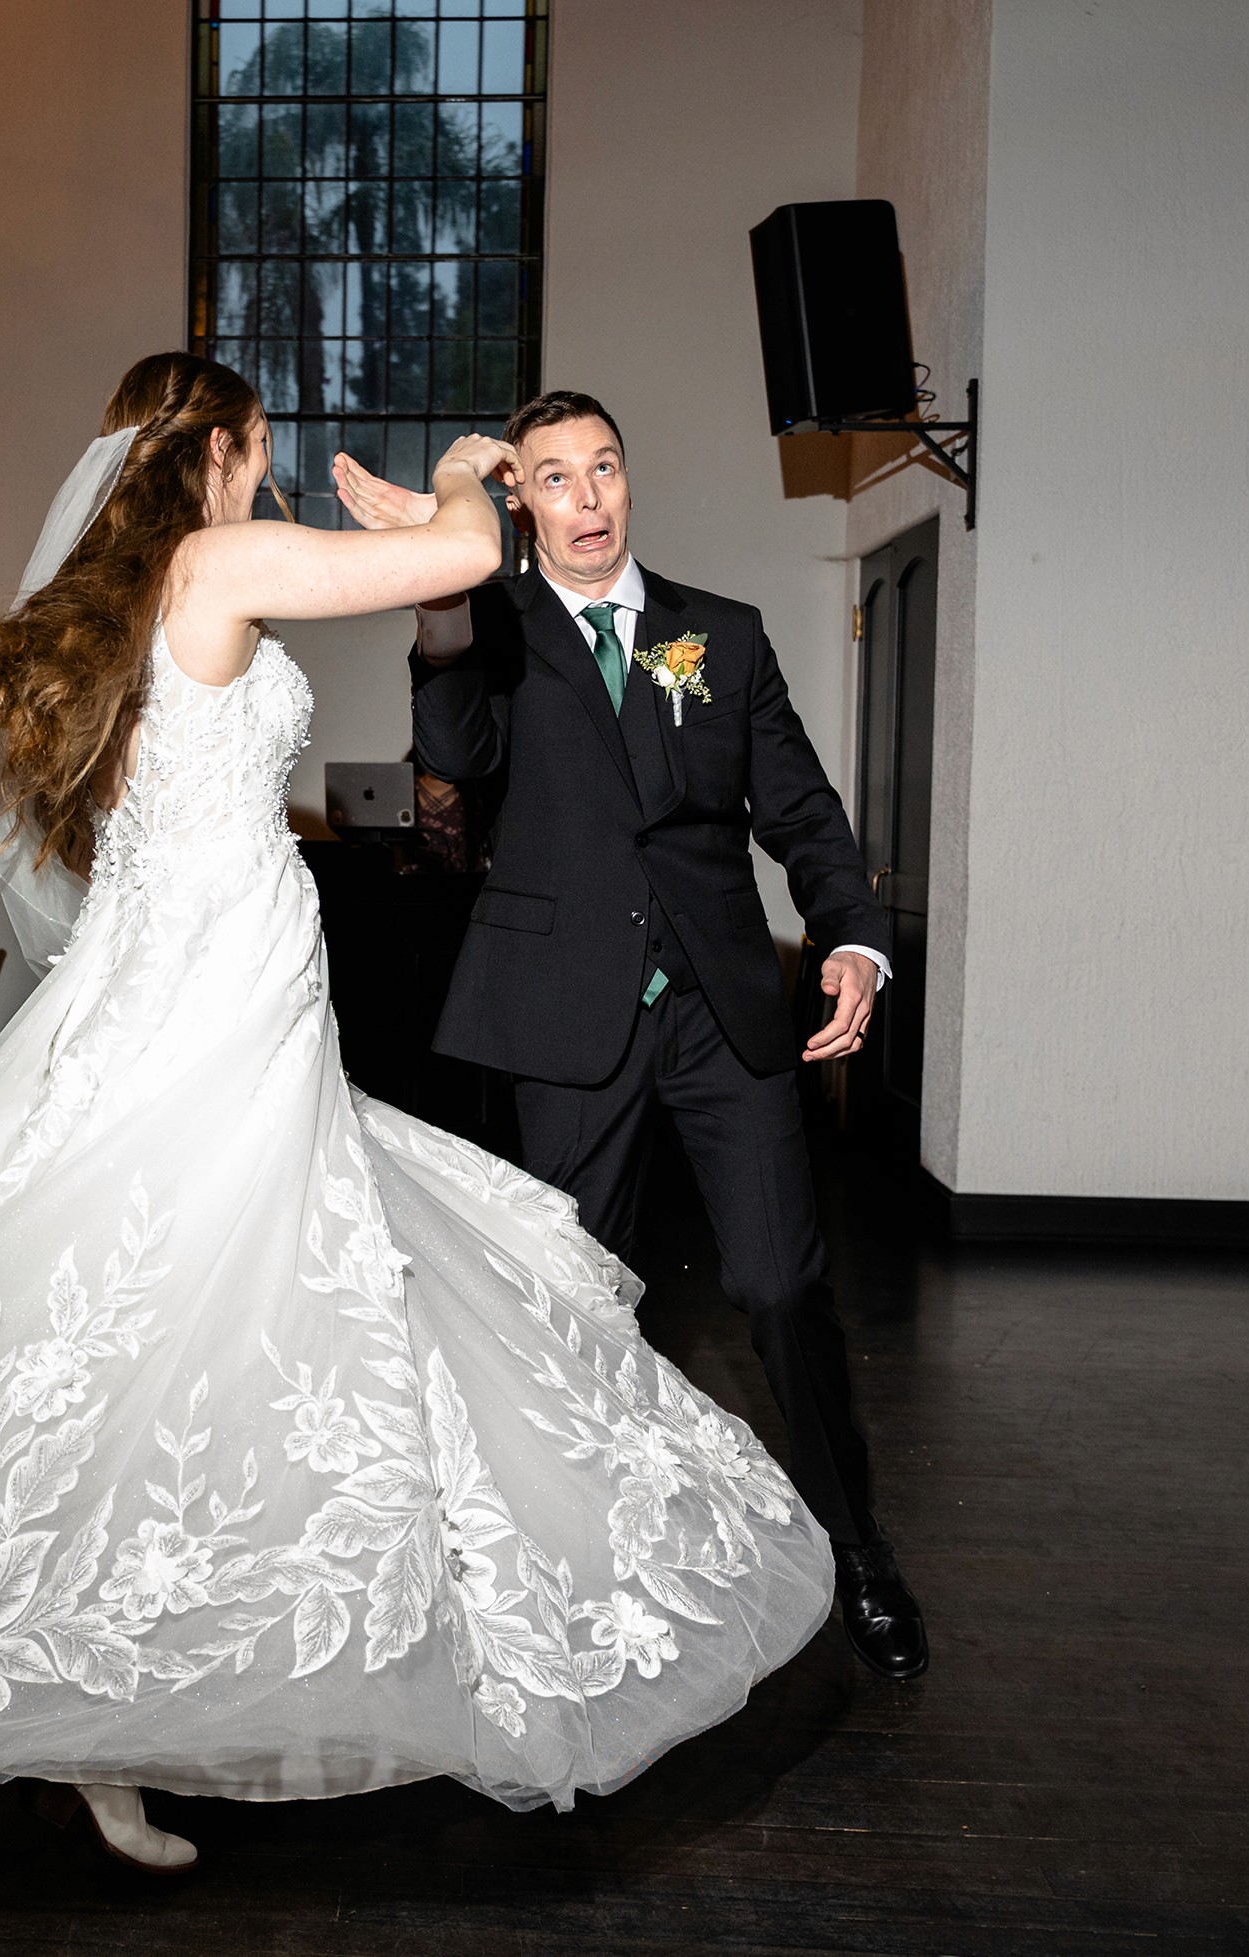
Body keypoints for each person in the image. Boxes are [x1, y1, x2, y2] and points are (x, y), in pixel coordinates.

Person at [0, 354, 834, 1874]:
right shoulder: (213, 562)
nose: (272, 473)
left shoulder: (141, 585)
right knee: (129, 1330)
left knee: (131, 1348)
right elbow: (475, 557)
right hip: (210, 1008)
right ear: (214, 447)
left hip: (197, 985)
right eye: (261, 447)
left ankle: (98, 1730)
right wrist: (469, 468)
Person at [335, 390, 928, 1682]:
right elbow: (450, 746)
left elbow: (804, 812)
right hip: (567, 1018)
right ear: (521, 502)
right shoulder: (486, 632)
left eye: (603, 468)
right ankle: (570, 1562)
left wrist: (851, 935)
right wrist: (443, 589)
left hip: (721, 1012)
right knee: (569, 1304)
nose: (588, 497)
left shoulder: (719, 634)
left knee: (779, 1290)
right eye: (553, 477)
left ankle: (859, 1546)